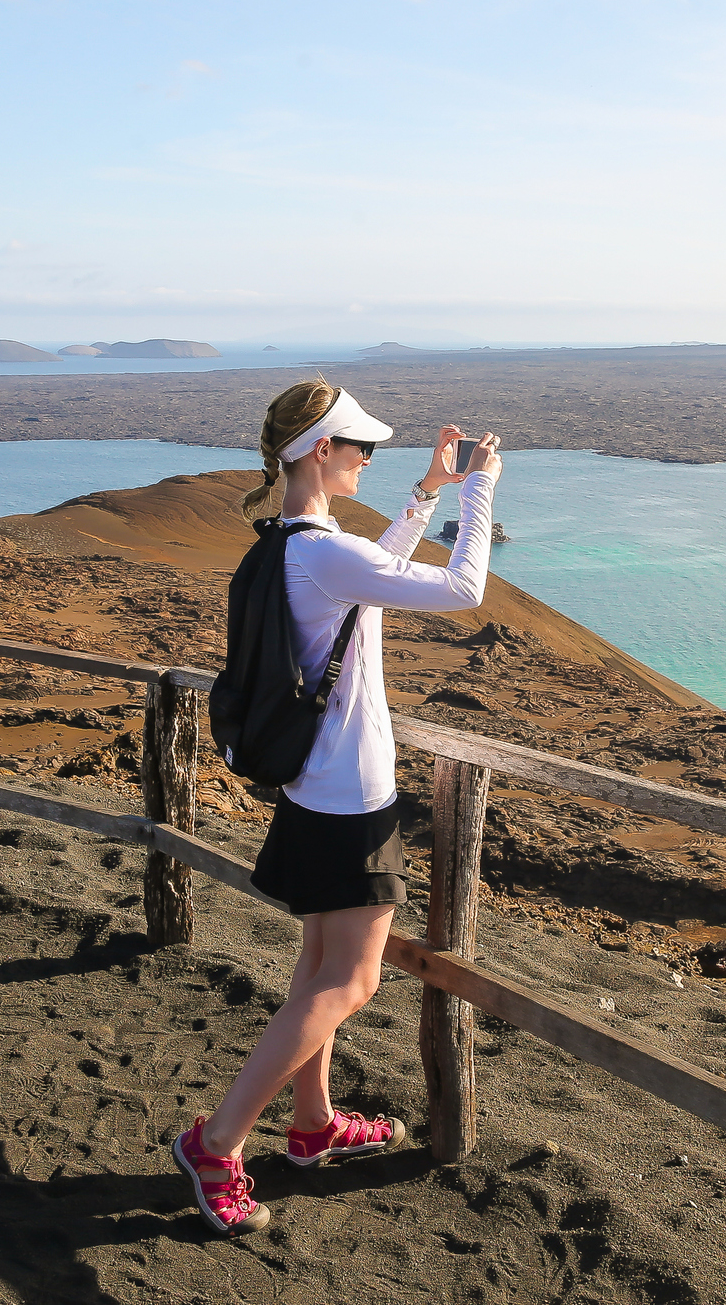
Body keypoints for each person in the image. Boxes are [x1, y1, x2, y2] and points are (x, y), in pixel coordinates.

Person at [173, 379, 502, 1236]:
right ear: (322, 450)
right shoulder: (322, 552)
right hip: (350, 797)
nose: (367, 458)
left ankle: (313, 1124)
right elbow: (461, 589)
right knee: (352, 981)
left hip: (311, 786)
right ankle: (216, 1143)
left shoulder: (289, 543)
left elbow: (368, 577)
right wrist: (479, 490)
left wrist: (425, 492)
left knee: (319, 968)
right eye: (360, 447)